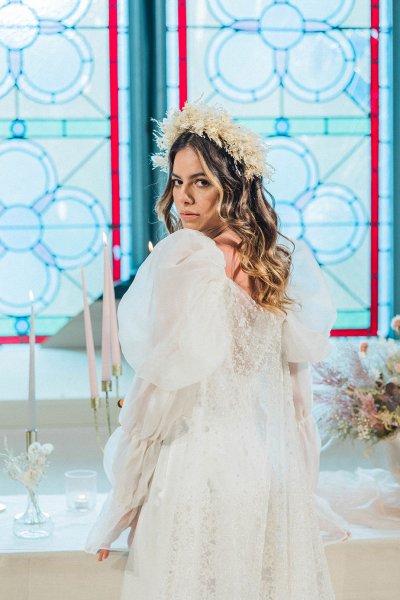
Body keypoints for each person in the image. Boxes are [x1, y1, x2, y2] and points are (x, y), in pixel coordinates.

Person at [85, 102, 339, 598]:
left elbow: (156, 395)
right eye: (177, 182)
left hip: (193, 474)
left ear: (234, 183)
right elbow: (296, 402)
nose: (184, 197)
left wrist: (121, 505)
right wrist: (300, 496)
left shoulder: (191, 257)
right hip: (263, 475)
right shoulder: (278, 260)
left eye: (200, 181)